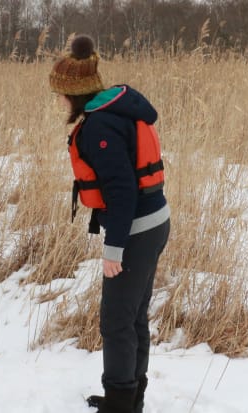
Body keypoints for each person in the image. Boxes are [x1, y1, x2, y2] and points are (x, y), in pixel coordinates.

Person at [49, 35, 170, 413]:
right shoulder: (114, 112)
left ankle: (120, 404)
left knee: (116, 321)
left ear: (76, 94)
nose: (59, 102)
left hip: (136, 229)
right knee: (133, 317)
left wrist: (113, 247)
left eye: (61, 95)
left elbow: (121, 192)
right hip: (152, 222)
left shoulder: (100, 128)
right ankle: (128, 397)